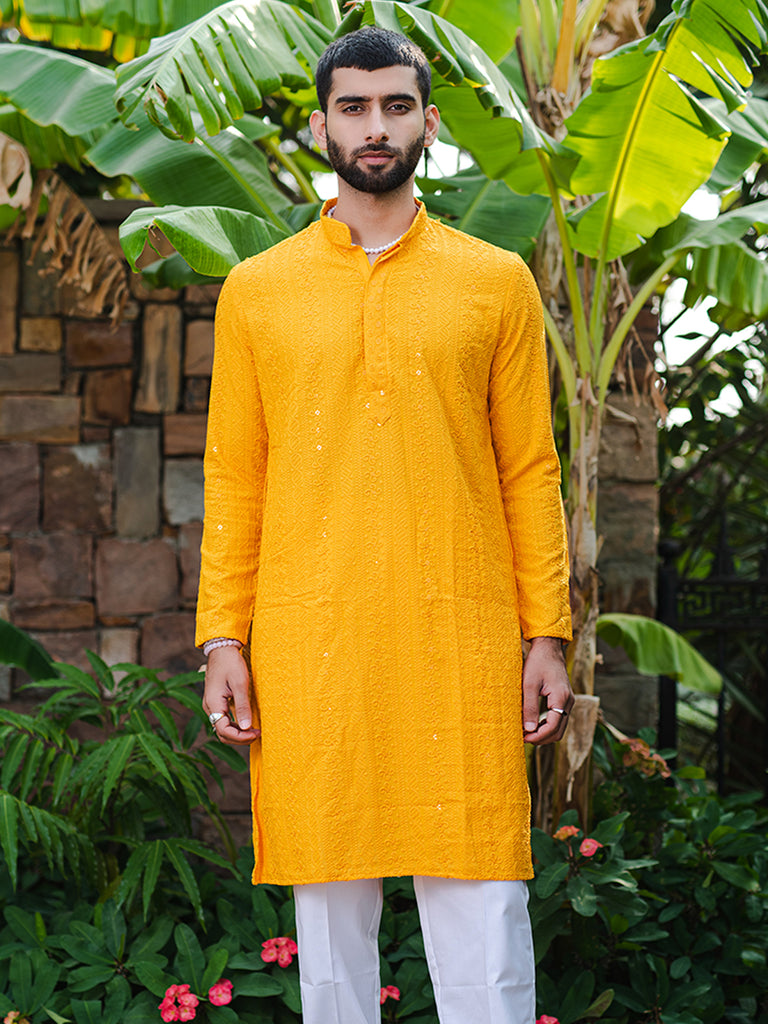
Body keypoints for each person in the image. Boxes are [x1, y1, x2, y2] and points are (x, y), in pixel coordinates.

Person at [196, 25, 574, 1024]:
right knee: (329, 936)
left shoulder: (495, 280)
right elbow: (235, 476)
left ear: (429, 123)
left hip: (462, 638)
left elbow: (529, 469)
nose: (376, 126)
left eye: (396, 106)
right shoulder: (258, 291)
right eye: (355, 107)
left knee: (484, 914)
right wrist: (222, 638)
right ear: (322, 124)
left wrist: (547, 633)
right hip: (313, 643)